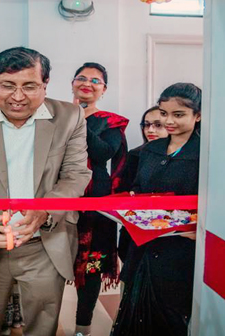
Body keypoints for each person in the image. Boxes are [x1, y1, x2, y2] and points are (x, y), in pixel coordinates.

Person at [0, 47, 92, 336]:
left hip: (45, 243)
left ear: (45, 84)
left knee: (43, 326)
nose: (18, 96)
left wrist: (45, 210)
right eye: (8, 85)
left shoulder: (70, 116)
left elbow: (76, 174)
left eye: (30, 86)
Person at [111, 83, 202, 336]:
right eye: (164, 113)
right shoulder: (150, 150)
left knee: (170, 318)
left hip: (180, 250)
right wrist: (132, 202)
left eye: (178, 114)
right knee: (133, 313)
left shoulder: (205, 153)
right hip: (142, 245)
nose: (168, 121)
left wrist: (199, 227)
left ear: (198, 115)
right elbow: (138, 188)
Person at [70, 62, 128, 336]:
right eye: (81, 78)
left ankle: (82, 327)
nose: (87, 83)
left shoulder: (110, 121)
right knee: (51, 260)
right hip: (60, 194)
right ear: (72, 83)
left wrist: (79, 120)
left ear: (104, 90)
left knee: (91, 267)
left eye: (96, 81)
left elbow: (103, 153)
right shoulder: (55, 115)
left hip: (96, 200)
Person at [118, 106, 168, 263]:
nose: (150, 130)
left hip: (168, 230)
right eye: (146, 125)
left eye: (158, 125)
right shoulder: (136, 154)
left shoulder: (184, 156)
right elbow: (124, 190)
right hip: (136, 225)